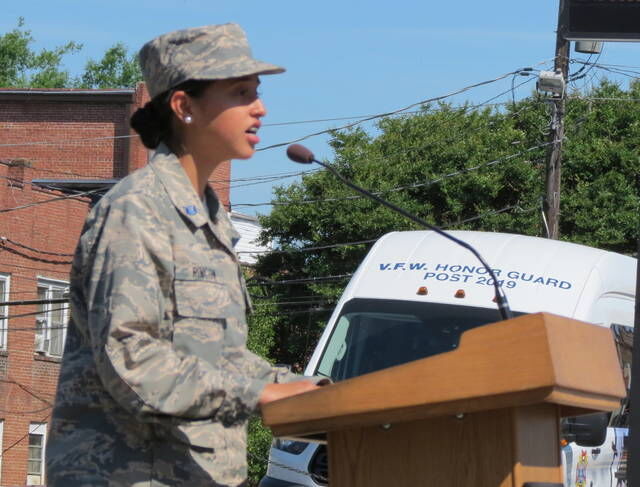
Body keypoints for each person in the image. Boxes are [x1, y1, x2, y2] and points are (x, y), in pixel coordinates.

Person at [45, 23, 326, 487]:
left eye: (256, 92)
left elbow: (218, 359)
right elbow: (131, 359)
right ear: (184, 106)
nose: (261, 109)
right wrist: (260, 393)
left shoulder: (210, 221)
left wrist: (301, 390)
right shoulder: (136, 210)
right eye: (240, 93)